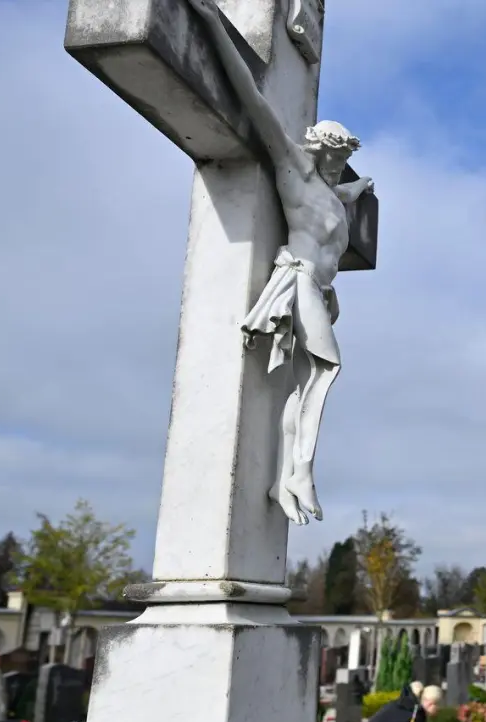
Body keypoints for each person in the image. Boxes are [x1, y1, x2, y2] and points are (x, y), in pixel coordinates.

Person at [183, 0, 375, 526]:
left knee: (301, 383)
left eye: (343, 160)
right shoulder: (294, 171)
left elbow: (353, 194)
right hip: (300, 281)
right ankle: (299, 474)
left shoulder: (336, 195)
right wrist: (207, 21)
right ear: (317, 150)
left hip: (324, 294)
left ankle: (282, 475)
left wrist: (361, 188)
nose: (339, 166)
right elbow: (251, 95)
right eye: (334, 157)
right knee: (326, 367)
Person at [354, 681, 441, 722]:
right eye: (438, 705)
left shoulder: (399, 704)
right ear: (430, 703)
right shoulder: (416, 719)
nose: (439, 709)